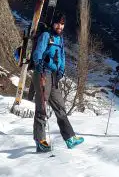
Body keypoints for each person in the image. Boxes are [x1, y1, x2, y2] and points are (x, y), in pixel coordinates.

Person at [31, 11, 85, 152]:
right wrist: (40, 65)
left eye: (62, 24)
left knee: (60, 108)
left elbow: (62, 56)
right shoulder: (46, 36)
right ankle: (40, 141)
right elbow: (37, 53)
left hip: (54, 76)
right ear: (52, 24)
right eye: (58, 23)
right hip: (43, 74)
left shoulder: (59, 39)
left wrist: (61, 71)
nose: (60, 26)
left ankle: (70, 138)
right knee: (41, 108)